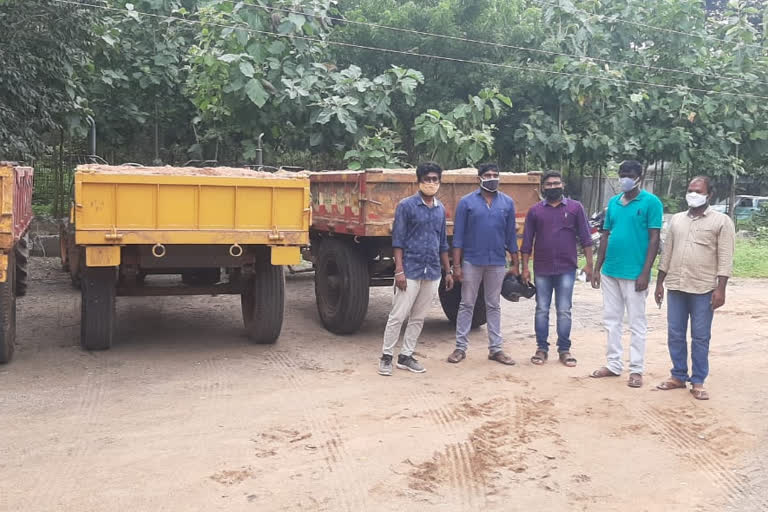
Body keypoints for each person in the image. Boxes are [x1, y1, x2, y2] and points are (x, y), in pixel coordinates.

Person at [654, 176, 735, 400]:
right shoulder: (678, 220)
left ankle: (698, 380)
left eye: (698, 191)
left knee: (700, 336)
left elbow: (725, 258)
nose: (693, 194)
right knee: (675, 333)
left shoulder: (721, 221)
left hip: (703, 288)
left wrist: (721, 289)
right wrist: (660, 282)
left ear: (709, 195)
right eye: (690, 190)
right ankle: (678, 375)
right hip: (677, 286)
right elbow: (667, 253)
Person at [591, 160, 662, 388]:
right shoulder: (613, 203)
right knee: (611, 320)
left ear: (639, 177)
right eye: (622, 174)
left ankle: (636, 369)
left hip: (634, 273)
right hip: (611, 270)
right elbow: (604, 235)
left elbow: (654, 238)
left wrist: (645, 272)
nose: (624, 178)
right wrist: (597, 268)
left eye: (629, 174)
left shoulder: (651, 203)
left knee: (636, 322)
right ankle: (613, 364)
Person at [378, 162, 454, 376]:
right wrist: (399, 271)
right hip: (410, 269)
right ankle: (386, 356)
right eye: (427, 179)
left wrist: (447, 271)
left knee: (419, 317)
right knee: (397, 315)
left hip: (432, 272)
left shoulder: (440, 210)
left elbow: (442, 243)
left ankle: (406, 355)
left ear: (440, 182)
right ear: (419, 181)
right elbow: (398, 241)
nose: (431, 183)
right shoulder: (407, 206)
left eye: (435, 179)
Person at [447, 163, 519, 366]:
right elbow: (458, 236)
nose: (492, 178)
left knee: (494, 305)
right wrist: (458, 266)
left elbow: (511, 236)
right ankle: (460, 348)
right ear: (479, 178)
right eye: (487, 175)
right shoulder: (466, 203)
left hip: (497, 261)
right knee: (467, 303)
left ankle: (496, 349)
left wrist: (515, 264)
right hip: (471, 260)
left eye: (495, 174)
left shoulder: (507, 203)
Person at [521, 171, 594, 367]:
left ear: (563, 185)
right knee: (541, 309)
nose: (553, 187)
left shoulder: (575, 208)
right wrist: (525, 267)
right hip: (542, 269)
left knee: (564, 310)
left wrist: (589, 264)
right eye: (549, 184)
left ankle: (564, 349)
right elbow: (527, 241)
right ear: (543, 187)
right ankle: (541, 348)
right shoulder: (535, 211)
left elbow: (586, 237)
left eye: (556, 183)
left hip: (566, 268)